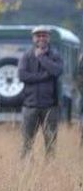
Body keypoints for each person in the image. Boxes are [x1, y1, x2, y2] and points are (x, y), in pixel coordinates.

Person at [17, 26, 63, 158]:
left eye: (44, 36)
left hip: (50, 107)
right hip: (30, 106)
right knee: (26, 143)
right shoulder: (26, 56)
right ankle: (24, 169)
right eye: (38, 36)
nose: (41, 38)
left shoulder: (55, 55)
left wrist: (42, 58)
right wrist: (44, 76)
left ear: (48, 38)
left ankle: (49, 172)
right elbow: (22, 76)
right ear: (33, 38)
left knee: (50, 143)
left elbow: (57, 71)